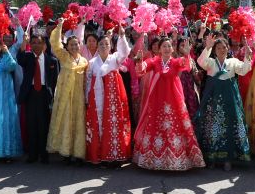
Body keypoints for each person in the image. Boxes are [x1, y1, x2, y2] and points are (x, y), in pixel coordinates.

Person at [133, 36, 204, 171]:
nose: (166, 48)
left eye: (169, 46)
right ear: (159, 49)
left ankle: (177, 158)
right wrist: (140, 60)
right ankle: (154, 160)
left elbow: (187, 66)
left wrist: (187, 53)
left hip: (174, 101)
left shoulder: (176, 62)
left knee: (175, 126)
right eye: (164, 46)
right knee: (155, 126)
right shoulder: (154, 61)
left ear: (172, 49)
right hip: (157, 100)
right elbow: (142, 70)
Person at [195, 33, 252, 170]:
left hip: (230, 101)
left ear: (228, 49)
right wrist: (207, 48)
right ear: (215, 50)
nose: (222, 50)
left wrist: (247, 56)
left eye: (224, 47)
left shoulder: (233, 62)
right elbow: (200, 62)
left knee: (229, 128)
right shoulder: (211, 62)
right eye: (218, 48)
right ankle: (212, 158)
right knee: (212, 127)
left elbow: (244, 70)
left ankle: (228, 159)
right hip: (213, 101)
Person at [85, 27, 132, 165]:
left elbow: (124, 53)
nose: (104, 46)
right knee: (99, 125)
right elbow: (88, 83)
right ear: (97, 47)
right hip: (97, 100)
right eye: (101, 44)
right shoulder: (92, 63)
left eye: (107, 44)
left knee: (115, 125)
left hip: (114, 100)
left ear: (111, 45)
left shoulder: (115, 58)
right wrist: (87, 99)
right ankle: (101, 156)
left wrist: (122, 37)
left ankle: (116, 156)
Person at [48, 21, 88, 162]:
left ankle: (77, 154)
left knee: (78, 124)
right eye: (71, 44)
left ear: (80, 45)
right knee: (65, 123)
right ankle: (65, 152)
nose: (74, 46)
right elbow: (55, 43)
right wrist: (59, 27)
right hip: (65, 96)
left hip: (78, 97)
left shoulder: (84, 61)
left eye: (76, 44)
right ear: (67, 46)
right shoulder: (64, 56)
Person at [17, 33, 59, 163]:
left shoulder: (52, 60)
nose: (36, 45)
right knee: (31, 124)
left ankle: (44, 154)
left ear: (44, 45)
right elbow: (19, 58)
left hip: (44, 95)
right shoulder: (28, 57)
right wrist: (24, 42)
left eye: (39, 42)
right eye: (33, 42)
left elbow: (55, 80)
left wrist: (53, 96)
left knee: (44, 124)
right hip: (30, 94)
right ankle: (32, 154)